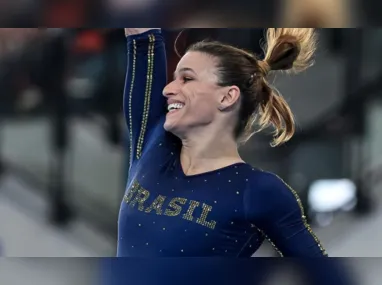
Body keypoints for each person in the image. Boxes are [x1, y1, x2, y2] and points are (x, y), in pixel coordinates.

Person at [118, 28, 327, 257]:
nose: (168, 89)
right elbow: (141, 36)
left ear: (227, 97)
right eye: (173, 79)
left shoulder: (256, 191)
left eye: (186, 79)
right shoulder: (152, 144)